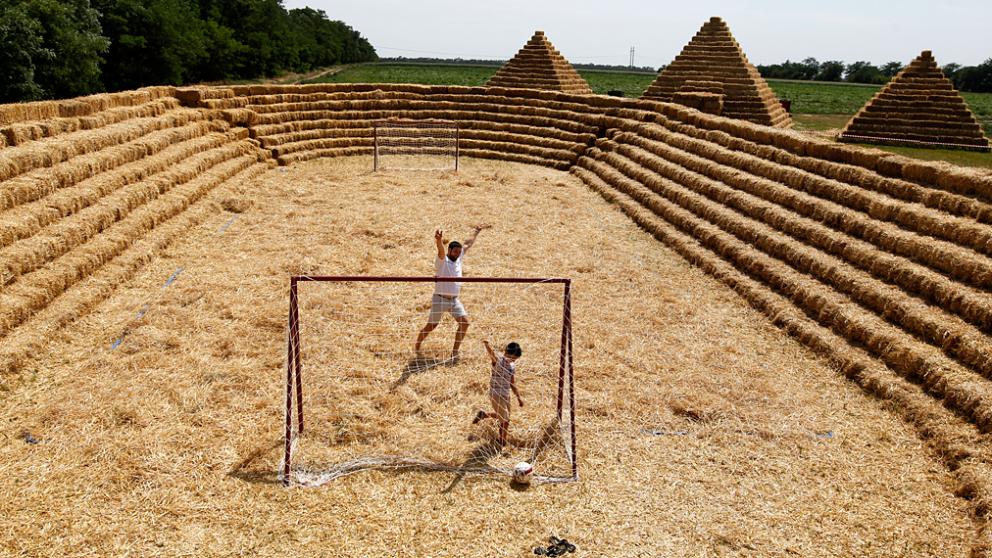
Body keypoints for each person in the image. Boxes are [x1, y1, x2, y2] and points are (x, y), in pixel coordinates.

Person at [413, 225, 488, 360]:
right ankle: (417, 345)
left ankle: (455, 352)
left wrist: (476, 232)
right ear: (449, 250)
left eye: (459, 252)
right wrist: (438, 241)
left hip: (454, 300)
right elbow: (440, 251)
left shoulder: (459, 258)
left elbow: (467, 244)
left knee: (465, 323)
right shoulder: (442, 260)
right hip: (440, 299)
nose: (458, 254)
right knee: (431, 326)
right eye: (455, 251)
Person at [473, 339, 524, 447]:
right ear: (506, 353)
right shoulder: (499, 361)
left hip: (506, 394)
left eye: (515, 359)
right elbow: (492, 354)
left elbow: (512, 382)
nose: (512, 361)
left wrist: (518, 397)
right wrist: (487, 345)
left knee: (505, 417)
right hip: (496, 393)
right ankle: (501, 441)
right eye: (511, 358)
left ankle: (484, 414)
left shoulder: (512, 366)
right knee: (505, 420)